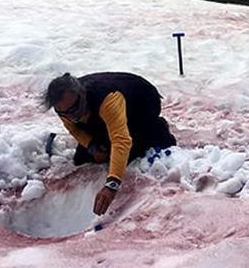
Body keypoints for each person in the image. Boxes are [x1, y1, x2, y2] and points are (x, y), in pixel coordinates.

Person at [43, 72, 177, 215]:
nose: (70, 116)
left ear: (81, 96)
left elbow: (121, 141)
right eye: (63, 113)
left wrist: (111, 185)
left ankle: (158, 129)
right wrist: (92, 146)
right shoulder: (64, 107)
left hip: (142, 102)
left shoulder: (107, 99)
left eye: (73, 110)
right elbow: (73, 128)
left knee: (130, 155)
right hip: (98, 112)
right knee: (83, 159)